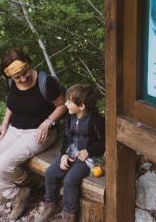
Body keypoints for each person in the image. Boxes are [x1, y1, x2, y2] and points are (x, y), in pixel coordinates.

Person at [0, 49, 67, 220]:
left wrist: (47, 122)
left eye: (25, 73)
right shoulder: (12, 83)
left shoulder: (46, 82)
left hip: (40, 132)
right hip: (14, 129)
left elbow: (63, 105)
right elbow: (11, 104)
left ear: (29, 65)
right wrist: (3, 125)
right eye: (17, 77)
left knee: (3, 163)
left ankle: (32, 184)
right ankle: (18, 193)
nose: (22, 79)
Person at [34, 84, 105, 222]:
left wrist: (89, 151)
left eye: (69, 102)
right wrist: (63, 154)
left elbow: (104, 142)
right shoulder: (70, 117)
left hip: (86, 158)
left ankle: (68, 214)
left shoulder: (96, 121)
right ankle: (51, 204)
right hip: (70, 153)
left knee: (70, 181)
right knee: (50, 173)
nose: (65, 104)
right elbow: (66, 137)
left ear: (82, 106)